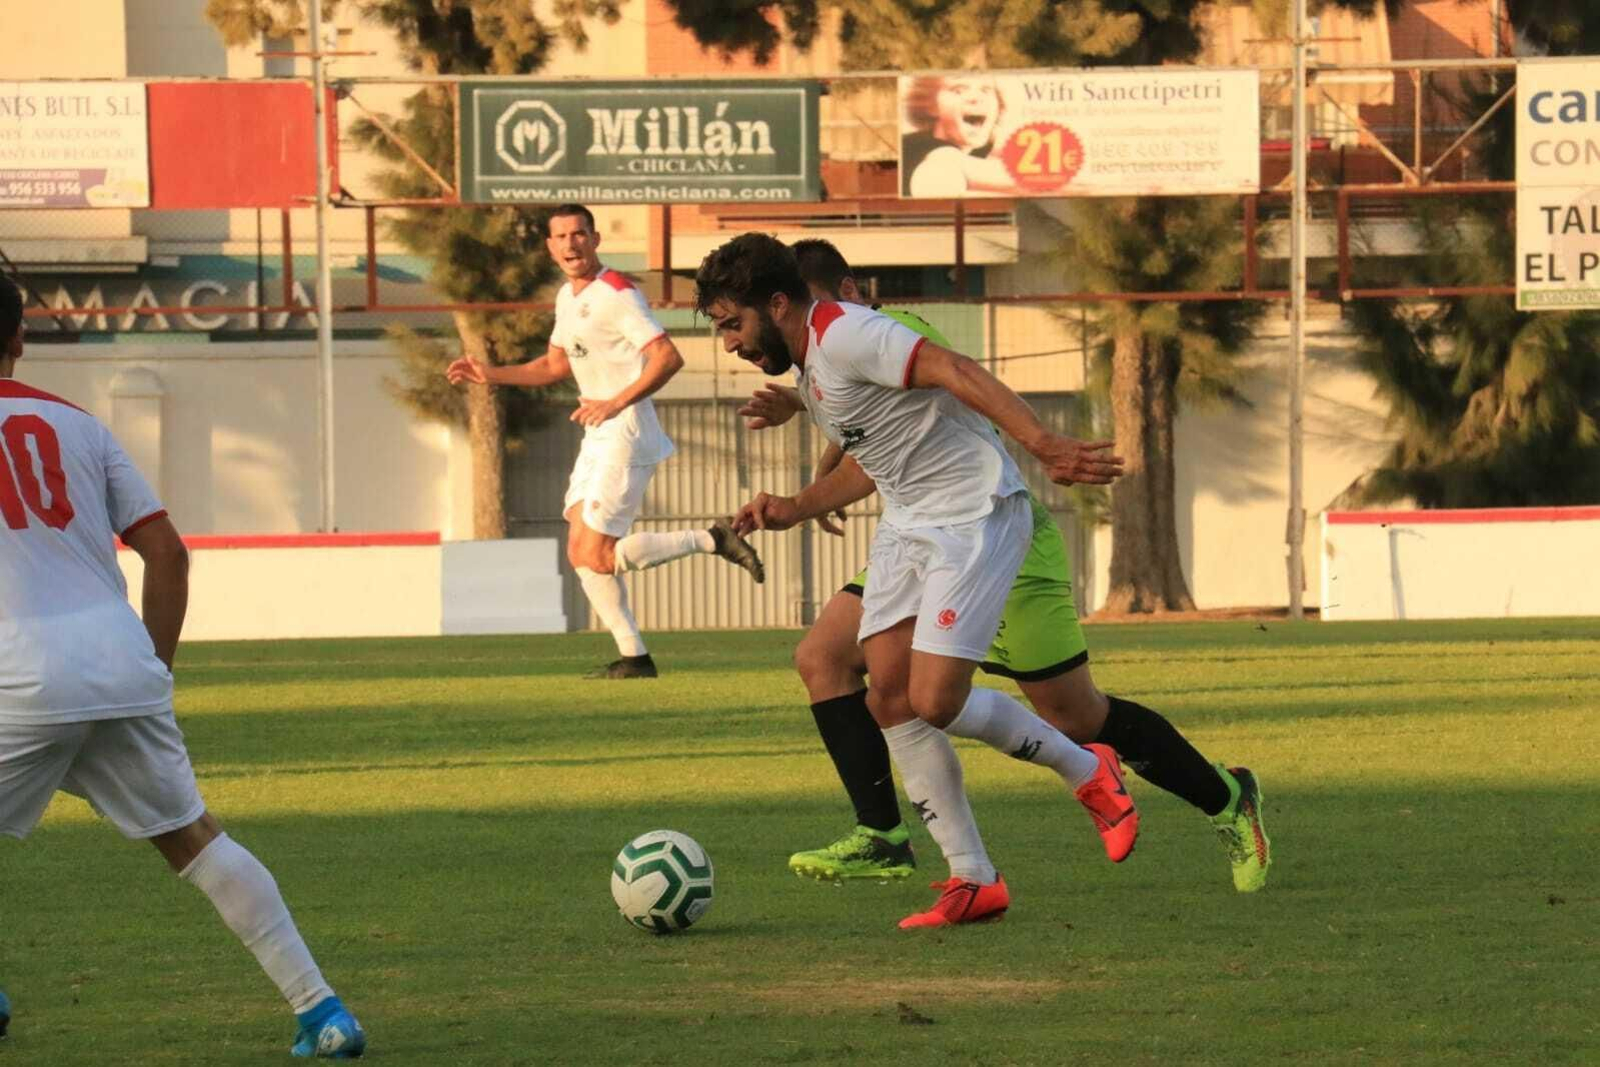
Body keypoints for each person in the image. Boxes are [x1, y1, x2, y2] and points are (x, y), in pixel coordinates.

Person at [745, 239, 1272, 895]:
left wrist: (1046, 443)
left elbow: (921, 385)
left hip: (995, 537)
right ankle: (884, 832)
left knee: (1075, 714)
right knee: (828, 657)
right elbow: (861, 425)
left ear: (841, 293)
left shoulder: (877, 331)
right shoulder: (819, 361)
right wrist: (799, 447)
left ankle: (1224, 794)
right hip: (924, 535)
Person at [697, 233, 1136, 930]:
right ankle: (973, 877)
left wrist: (1044, 442)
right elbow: (874, 460)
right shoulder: (811, 363)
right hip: (909, 526)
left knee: (933, 697)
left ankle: (1088, 770)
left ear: (776, 303)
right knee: (890, 695)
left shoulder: (848, 335)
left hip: (974, 515)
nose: (728, 344)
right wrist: (793, 507)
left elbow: (954, 368)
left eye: (731, 324)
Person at [0, 275, 365, 1059]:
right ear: (18, 338)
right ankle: (322, 1010)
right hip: (120, 663)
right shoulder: (80, 425)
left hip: (17, 674)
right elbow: (166, 551)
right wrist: (151, 672)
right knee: (194, 838)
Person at [446, 204, 765, 679]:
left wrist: (614, 403)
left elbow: (666, 357)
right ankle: (634, 657)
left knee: (597, 553)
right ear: (550, 247)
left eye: (580, 234)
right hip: (598, 428)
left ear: (595, 240)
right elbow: (553, 366)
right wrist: (488, 374)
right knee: (582, 551)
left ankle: (712, 538)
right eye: (561, 237)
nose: (571, 244)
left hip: (625, 426)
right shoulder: (567, 298)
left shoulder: (618, 293)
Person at [900, 75, 1021, 198]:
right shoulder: (926, 149)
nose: (975, 98)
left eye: (986, 90)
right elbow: (1022, 179)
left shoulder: (979, 146)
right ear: (932, 105)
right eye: (958, 90)